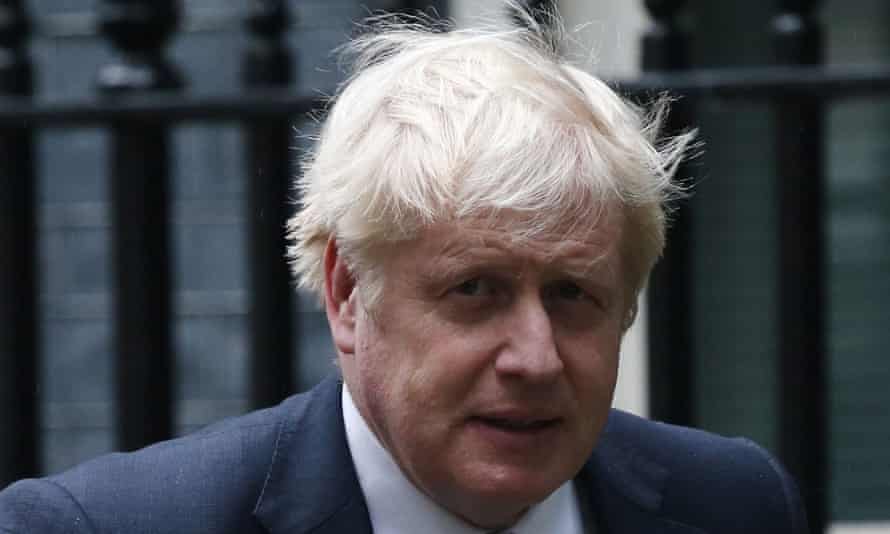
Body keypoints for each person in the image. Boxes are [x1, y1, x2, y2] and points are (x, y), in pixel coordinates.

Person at [0, 9, 808, 534]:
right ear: (349, 294)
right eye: (474, 291)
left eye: (573, 294)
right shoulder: (103, 528)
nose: (535, 356)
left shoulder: (736, 506)